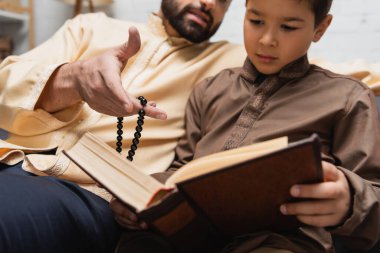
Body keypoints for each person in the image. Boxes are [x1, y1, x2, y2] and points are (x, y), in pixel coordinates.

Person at [112, 0, 380, 252]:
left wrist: (349, 200)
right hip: (188, 237)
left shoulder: (348, 98)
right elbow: (182, 171)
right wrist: (138, 194)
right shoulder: (209, 90)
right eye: (256, 20)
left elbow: (373, 195)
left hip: (280, 242)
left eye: (288, 27)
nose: (266, 40)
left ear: (320, 28)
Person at [0, 0, 246, 252]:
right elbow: (4, 87)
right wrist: (74, 79)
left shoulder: (234, 64)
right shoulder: (89, 26)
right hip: (10, 158)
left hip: (92, 195)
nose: (209, 3)